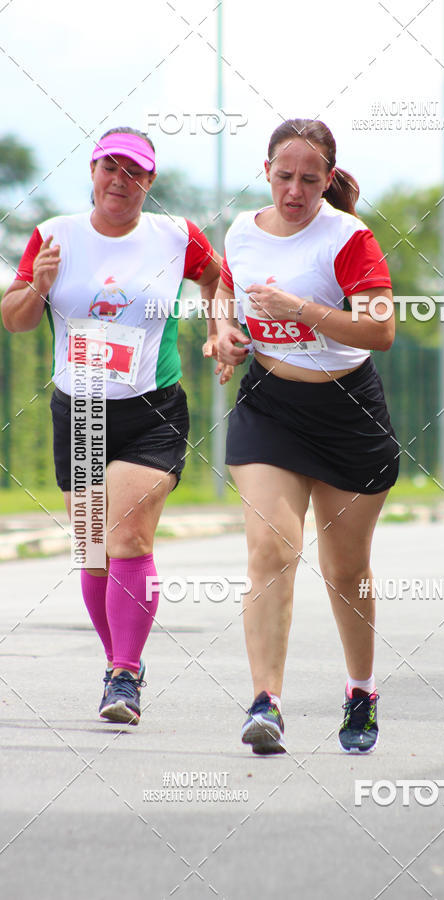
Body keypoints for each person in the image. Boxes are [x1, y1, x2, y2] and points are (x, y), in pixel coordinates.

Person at [1, 127, 225, 725]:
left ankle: (124, 674)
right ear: (93, 172)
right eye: (110, 168)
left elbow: (215, 278)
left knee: (128, 537)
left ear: (149, 182)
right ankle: (119, 663)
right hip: (79, 406)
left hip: (151, 407)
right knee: (94, 552)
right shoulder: (54, 235)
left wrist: (216, 328)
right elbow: (15, 320)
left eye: (134, 172)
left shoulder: (176, 236)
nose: (120, 181)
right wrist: (39, 287)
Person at [215, 118, 398, 754]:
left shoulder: (348, 238)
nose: (295, 190)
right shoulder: (242, 230)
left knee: (346, 571)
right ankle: (265, 702)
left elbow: (380, 330)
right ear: (266, 171)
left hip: (347, 415)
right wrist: (223, 334)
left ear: (328, 179)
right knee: (272, 550)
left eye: (309, 179)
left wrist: (301, 311)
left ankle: (361, 690)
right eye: (284, 176)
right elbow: (224, 286)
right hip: (270, 407)